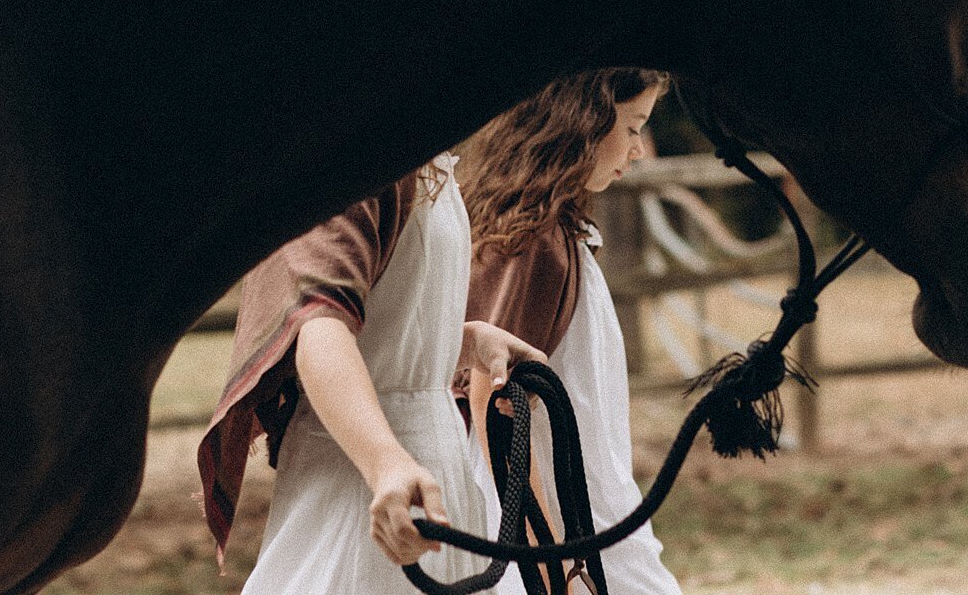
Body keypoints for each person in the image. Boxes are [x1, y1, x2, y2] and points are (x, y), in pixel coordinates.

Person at [197, 153, 545, 594]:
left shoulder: (428, 155)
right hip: (368, 478)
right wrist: (384, 463)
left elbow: (386, 320)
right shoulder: (351, 156)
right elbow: (320, 328)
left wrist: (464, 341)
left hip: (434, 471)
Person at [461, 68, 684, 595]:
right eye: (631, 128)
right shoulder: (534, 244)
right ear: (586, 120)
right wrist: (547, 564)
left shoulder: (550, 230)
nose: (638, 149)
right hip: (560, 516)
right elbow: (493, 399)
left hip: (588, 503)